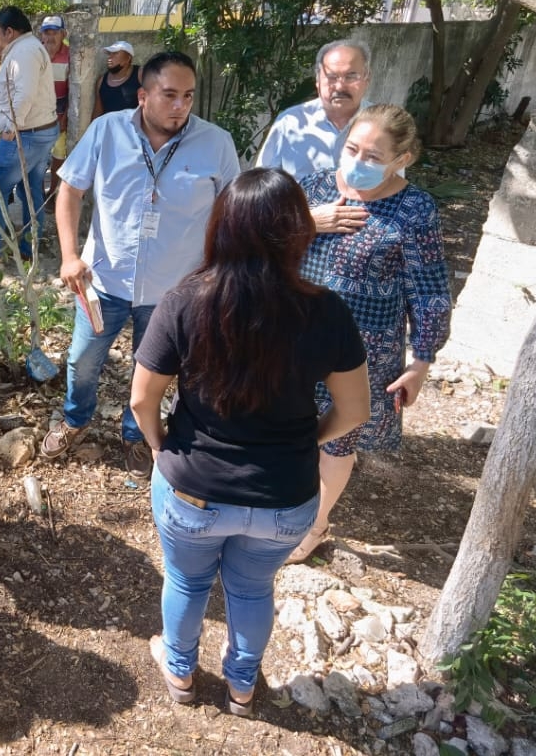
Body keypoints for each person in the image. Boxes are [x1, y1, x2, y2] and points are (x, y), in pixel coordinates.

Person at [129, 167, 370, 716]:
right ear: (299, 233)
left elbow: (143, 399)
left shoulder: (185, 300)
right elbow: (355, 409)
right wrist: (309, 440)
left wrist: (159, 446)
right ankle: (241, 686)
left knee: (187, 583)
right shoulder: (326, 310)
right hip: (285, 497)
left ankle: (182, 675)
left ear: (221, 228)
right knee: (253, 589)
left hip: (193, 489)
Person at [41, 52, 241, 479]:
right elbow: (70, 190)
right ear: (143, 95)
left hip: (174, 290)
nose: (179, 106)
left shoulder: (216, 143)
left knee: (152, 370)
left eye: (187, 96)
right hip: (103, 281)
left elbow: (230, 212)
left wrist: (218, 273)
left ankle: (136, 435)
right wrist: (70, 256)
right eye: (169, 95)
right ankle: (76, 420)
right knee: (82, 360)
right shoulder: (106, 131)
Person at [288, 103, 452, 563]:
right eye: (352, 149)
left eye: (373, 156)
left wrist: (422, 360)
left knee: (338, 439)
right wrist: (307, 220)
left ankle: (314, 527)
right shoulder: (316, 186)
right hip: (295, 335)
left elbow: (429, 287)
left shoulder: (415, 210)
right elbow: (269, 241)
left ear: (404, 158)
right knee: (288, 423)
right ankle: (279, 503)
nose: (357, 162)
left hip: (363, 348)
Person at [256, 40, 376, 237]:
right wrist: (307, 221)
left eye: (351, 76)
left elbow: (396, 193)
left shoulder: (384, 126)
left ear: (366, 79)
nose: (340, 85)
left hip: (363, 248)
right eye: (331, 77)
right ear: (318, 81)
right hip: (297, 246)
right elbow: (261, 194)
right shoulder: (290, 123)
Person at [0, 5, 58, 260]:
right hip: (36, 131)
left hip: (25, 133)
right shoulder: (27, 48)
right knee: (30, 190)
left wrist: (10, 129)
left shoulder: (24, 52)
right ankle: (30, 247)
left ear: (9, 31)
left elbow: (24, 94)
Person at [39, 15, 71, 190]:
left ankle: (52, 193)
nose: (50, 37)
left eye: (55, 33)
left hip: (59, 116)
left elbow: (73, 92)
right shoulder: (36, 53)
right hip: (38, 117)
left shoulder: (71, 55)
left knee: (58, 157)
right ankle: (38, 195)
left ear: (63, 34)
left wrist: (65, 116)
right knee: (38, 160)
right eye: (47, 33)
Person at [93, 41, 141, 118]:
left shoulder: (140, 74)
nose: (110, 58)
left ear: (128, 58)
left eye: (115, 54)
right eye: (110, 54)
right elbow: (98, 112)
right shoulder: (101, 81)